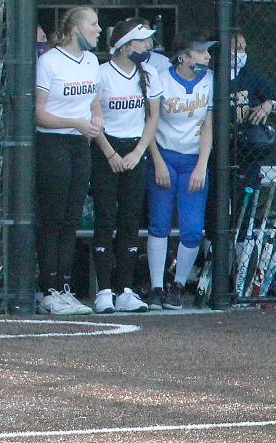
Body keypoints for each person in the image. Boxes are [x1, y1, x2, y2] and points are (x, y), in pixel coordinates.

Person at [89, 18, 162, 314]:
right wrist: (110, 154)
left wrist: (138, 151)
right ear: (125, 45)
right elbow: (94, 116)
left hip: (135, 150)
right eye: (142, 41)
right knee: (106, 217)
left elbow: (152, 118)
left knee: (131, 219)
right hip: (107, 150)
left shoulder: (150, 73)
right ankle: (104, 290)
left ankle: (125, 290)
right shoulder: (102, 73)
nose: (148, 46)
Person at [34, 4, 103, 316]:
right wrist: (75, 123)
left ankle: (64, 287)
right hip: (54, 143)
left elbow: (95, 104)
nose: (99, 30)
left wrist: (95, 121)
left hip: (81, 144)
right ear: (76, 28)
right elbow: (40, 113)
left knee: (72, 218)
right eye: (93, 24)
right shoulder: (50, 61)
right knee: (53, 218)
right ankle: (47, 291)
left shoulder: (91, 60)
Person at [146, 31, 215, 310]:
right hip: (164, 156)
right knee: (159, 224)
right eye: (201, 52)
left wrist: (202, 164)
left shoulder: (209, 80)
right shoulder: (162, 79)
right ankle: (156, 288)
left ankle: (178, 285)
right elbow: (149, 123)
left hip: (192, 160)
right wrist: (158, 161)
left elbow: (208, 125)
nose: (208, 57)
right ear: (184, 57)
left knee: (192, 229)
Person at [230, 29, 276, 205]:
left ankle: (243, 232)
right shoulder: (212, 76)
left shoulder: (251, 76)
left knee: (244, 203)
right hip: (217, 149)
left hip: (246, 149)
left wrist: (269, 104)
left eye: (243, 48)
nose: (242, 52)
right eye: (237, 48)